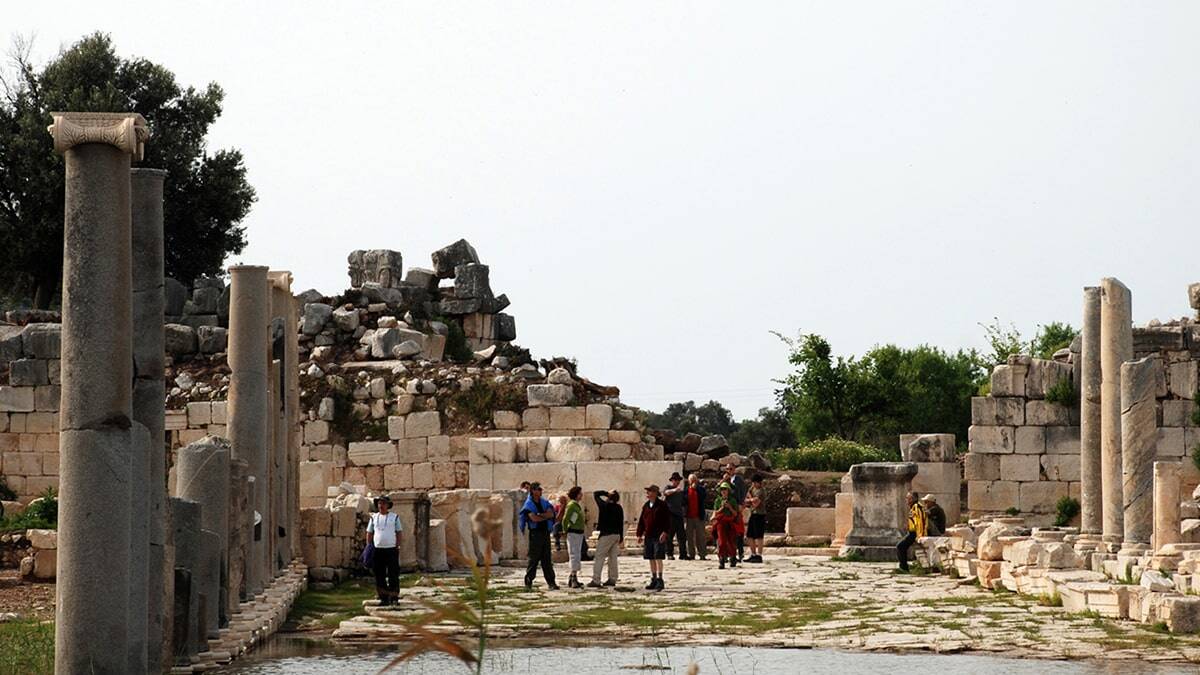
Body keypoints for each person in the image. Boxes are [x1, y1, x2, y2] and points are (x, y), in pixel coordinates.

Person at [519, 482, 559, 590]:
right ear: (533, 491)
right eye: (538, 489)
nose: (540, 491)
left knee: (547, 559)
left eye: (541, 489)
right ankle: (528, 581)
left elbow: (551, 514)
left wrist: (540, 515)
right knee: (534, 559)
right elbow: (533, 518)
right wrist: (544, 516)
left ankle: (551, 582)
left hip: (545, 532)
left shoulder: (544, 502)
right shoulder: (528, 504)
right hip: (535, 533)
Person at [366, 494, 403, 605]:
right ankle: (383, 597)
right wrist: (369, 546)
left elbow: (399, 532)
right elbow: (369, 532)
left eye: (383, 503)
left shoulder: (394, 517)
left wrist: (398, 545)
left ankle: (394, 597)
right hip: (378, 550)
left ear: (388, 505)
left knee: (393, 574)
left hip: (391, 549)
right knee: (379, 574)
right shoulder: (373, 517)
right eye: (379, 503)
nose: (381, 505)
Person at [636, 484, 671, 591]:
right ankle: (654, 578)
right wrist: (639, 534)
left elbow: (668, 520)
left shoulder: (662, 505)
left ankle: (660, 579)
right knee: (650, 557)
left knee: (658, 557)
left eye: (650, 491)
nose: (648, 493)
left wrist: (665, 532)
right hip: (649, 535)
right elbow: (642, 520)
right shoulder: (646, 506)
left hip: (658, 535)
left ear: (655, 493)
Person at [588, 490, 623, 587]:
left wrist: (606, 493)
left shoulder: (604, 506)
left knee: (599, 557)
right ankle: (612, 578)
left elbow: (595, 494)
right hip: (616, 534)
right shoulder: (619, 507)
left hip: (606, 534)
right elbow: (621, 523)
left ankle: (596, 580)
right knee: (613, 558)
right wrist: (621, 537)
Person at [710, 482, 744, 569]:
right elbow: (715, 512)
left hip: (730, 522)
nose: (723, 491)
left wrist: (729, 507)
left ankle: (733, 558)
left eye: (725, 489)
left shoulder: (732, 500)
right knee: (721, 541)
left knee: (731, 542)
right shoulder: (718, 500)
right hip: (721, 523)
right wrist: (721, 508)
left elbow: (735, 513)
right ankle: (722, 559)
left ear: (728, 491)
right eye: (722, 489)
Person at [897, 491, 928, 572]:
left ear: (912, 499)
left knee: (900, 546)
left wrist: (920, 535)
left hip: (915, 533)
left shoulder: (917, 507)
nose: (906, 499)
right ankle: (904, 567)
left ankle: (904, 568)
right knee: (902, 547)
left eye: (908, 498)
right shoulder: (913, 507)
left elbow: (920, 522)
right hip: (912, 532)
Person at [722, 463, 748, 561]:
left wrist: (741, 504)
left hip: (736, 507)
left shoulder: (738, 480)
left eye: (731, 469)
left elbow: (741, 492)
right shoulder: (725, 480)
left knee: (738, 531)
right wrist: (724, 481)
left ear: (734, 469)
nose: (729, 470)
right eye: (727, 469)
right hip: (727, 508)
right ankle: (729, 553)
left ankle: (740, 552)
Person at [563, 486, 587, 588]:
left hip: (578, 533)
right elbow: (566, 519)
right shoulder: (571, 505)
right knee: (574, 555)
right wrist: (564, 530)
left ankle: (573, 576)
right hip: (573, 533)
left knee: (577, 554)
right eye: (580, 493)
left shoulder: (576, 506)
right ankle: (573, 577)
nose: (581, 495)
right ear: (576, 494)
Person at [662, 472, 688, 560]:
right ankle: (669, 553)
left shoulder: (681, 492)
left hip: (679, 515)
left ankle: (683, 554)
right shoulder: (669, 487)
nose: (676, 481)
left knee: (682, 536)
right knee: (669, 535)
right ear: (672, 481)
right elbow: (665, 493)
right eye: (675, 480)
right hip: (670, 514)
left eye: (678, 480)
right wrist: (674, 490)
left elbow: (684, 503)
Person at [683, 474, 708, 560]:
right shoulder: (686, 490)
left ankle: (702, 554)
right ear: (689, 481)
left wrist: (696, 488)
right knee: (689, 537)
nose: (693, 480)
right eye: (691, 479)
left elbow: (704, 496)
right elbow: (683, 502)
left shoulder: (701, 489)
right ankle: (691, 554)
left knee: (701, 536)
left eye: (694, 479)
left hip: (699, 516)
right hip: (689, 517)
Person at [745, 475, 766, 563]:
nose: (753, 484)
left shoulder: (761, 491)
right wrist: (751, 499)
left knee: (759, 536)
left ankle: (759, 555)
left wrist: (750, 499)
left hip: (760, 514)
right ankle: (753, 554)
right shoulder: (752, 489)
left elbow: (756, 503)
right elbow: (747, 500)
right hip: (753, 513)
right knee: (749, 535)